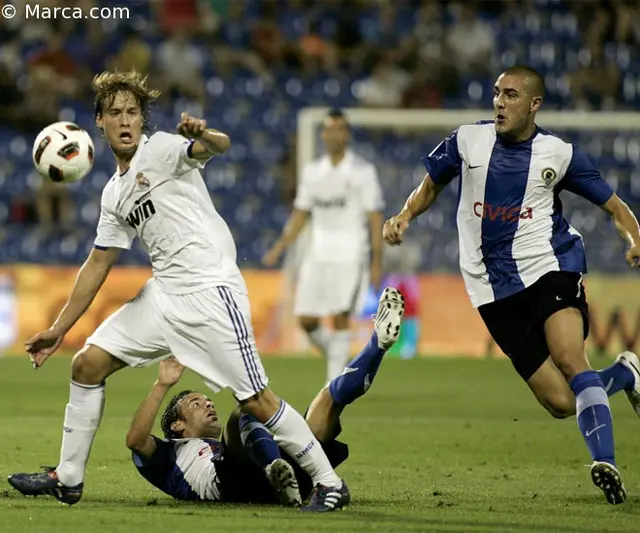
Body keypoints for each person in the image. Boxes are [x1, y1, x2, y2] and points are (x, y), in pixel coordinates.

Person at [7, 70, 349, 512]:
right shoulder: (114, 193)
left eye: (132, 111)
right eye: (115, 113)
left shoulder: (164, 149)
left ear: (142, 119)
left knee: (256, 401)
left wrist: (202, 132)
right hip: (164, 295)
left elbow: (218, 146)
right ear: (99, 123)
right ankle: (68, 477)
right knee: (87, 364)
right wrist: (58, 328)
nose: (125, 120)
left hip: (211, 291)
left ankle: (329, 483)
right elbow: (98, 262)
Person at [382, 64, 640, 505]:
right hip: (490, 287)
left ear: (535, 104)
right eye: (497, 93)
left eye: (512, 95)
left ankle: (606, 463)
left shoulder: (559, 154)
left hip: (550, 267)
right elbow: (430, 185)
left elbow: (616, 208)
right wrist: (405, 214)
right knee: (560, 402)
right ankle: (624, 373)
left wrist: (636, 240)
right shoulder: (467, 140)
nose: (500, 102)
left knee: (569, 358)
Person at [125, 287, 404, 508]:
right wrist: (162, 385)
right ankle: (275, 468)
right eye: (195, 404)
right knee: (247, 407)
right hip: (231, 485)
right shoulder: (168, 455)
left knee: (326, 402)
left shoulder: (238, 442)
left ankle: (377, 344)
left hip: (279, 478)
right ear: (177, 426)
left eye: (207, 400)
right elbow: (135, 440)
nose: (208, 403)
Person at [262, 108, 385, 383]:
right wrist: (280, 246)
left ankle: (333, 386)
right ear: (323, 134)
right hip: (317, 254)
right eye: (329, 129)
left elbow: (375, 218)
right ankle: (340, 360)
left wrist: (377, 261)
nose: (334, 134)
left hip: (351, 254)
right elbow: (301, 213)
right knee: (306, 320)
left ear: (347, 134)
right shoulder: (313, 172)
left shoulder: (363, 171)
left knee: (340, 316)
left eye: (339, 128)